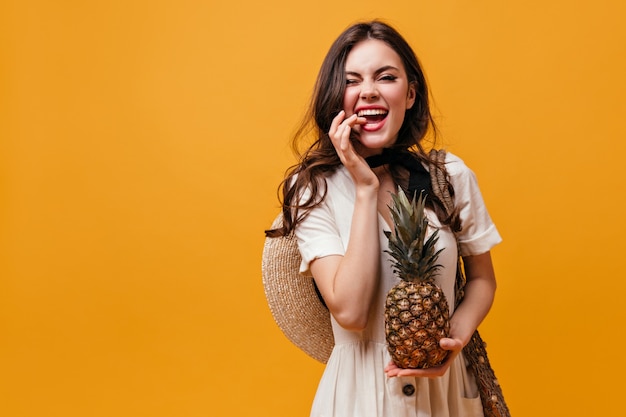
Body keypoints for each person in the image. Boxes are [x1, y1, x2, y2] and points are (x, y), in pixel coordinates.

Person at [267, 20, 502, 417]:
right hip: (359, 398)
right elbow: (352, 313)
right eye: (352, 81)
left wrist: (453, 339)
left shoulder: (450, 177)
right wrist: (364, 188)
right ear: (335, 98)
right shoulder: (312, 189)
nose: (369, 91)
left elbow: (482, 279)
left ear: (409, 94)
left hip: (448, 395)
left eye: (386, 77)